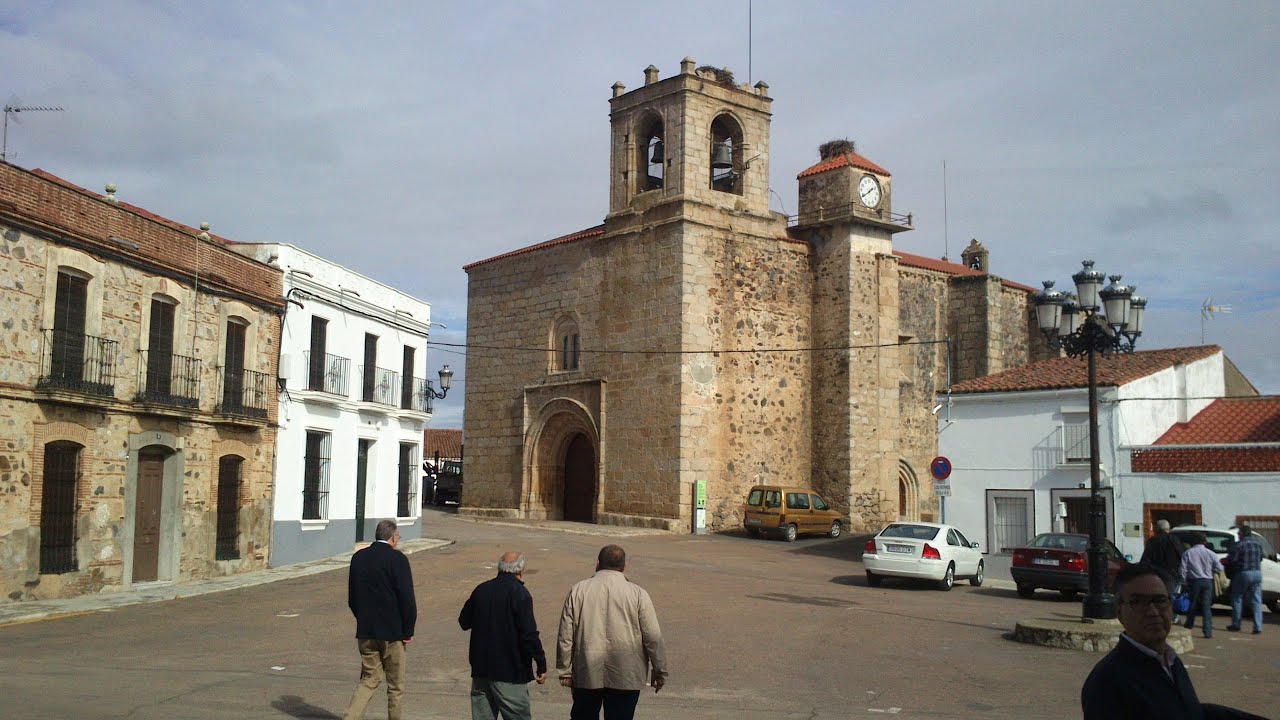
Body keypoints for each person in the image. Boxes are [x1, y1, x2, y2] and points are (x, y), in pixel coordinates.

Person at [1081, 563, 1267, 720]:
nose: (1153, 612)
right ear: (1120, 612)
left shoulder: (1170, 662)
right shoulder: (1108, 681)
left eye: (1160, 600)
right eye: (1139, 602)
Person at [557, 545, 668, 720]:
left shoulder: (578, 590)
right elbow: (652, 637)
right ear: (624, 566)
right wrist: (659, 671)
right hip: (625, 674)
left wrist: (564, 670)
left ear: (597, 563)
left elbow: (566, 635)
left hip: (587, 672)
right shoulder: (638, 594)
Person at [459, 551, 548, 720]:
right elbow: (529, 634)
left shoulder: (481, 590)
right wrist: (541, 663)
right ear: (520, 570)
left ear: (499, 568)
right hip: (510, 672)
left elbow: (464, 622)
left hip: (481, 671)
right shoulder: (519, 593)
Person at [342, 519, 417, 720]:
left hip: (366, 631)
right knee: (395, 686)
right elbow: (407, 598)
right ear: (392, 537)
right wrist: (408, 630)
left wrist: (363, 618)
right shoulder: (397, 559)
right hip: (393, 633)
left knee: (369, 679)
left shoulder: (358, 558)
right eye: (398, 536)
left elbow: (352, 597)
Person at [1179, 532, 1224, 638]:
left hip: (1193, 581)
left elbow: (1183, 569)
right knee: (1206, 606)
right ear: (1204, 542)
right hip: (1208, 581)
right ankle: (1207, 631)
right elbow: (1219, 568)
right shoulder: (1211, 553)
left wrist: (1183, 580)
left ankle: (1188, 626)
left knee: (1193, 605)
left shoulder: (1188, 553)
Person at [1225, 525, 1265, 635]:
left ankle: (1236, 624)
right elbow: (1261, 558)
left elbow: (1232, 559)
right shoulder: (1258, 544)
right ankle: (1258, 626)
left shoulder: (1239, 545)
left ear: (1242, 534)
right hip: (1257, 573)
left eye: (1239, 533)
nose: (1238, 535)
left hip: (1243, 573)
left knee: (1237, 598)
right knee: (1256, 600)